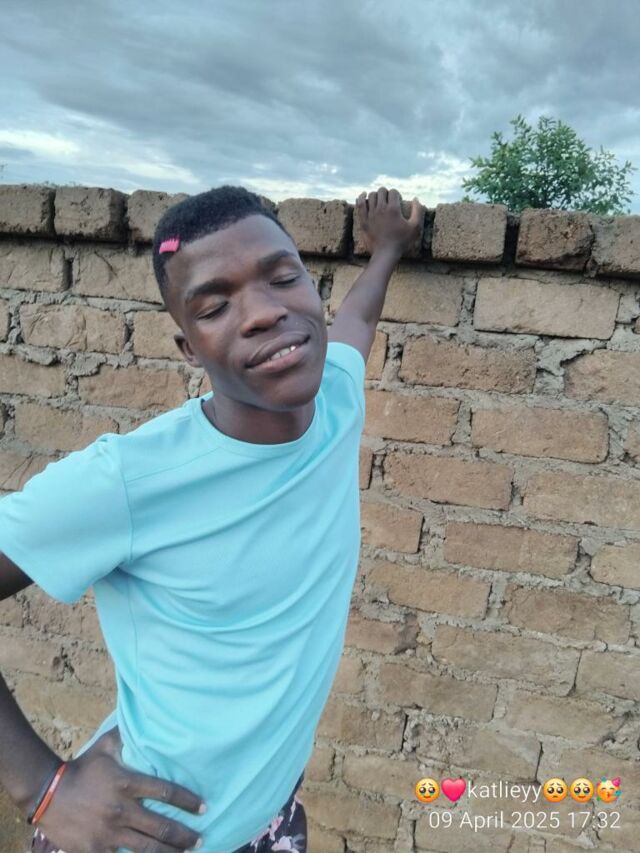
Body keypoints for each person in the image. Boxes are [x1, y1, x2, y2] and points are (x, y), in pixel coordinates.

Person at [0, 185, 424, 853]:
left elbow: (357, 323)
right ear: (188, 346)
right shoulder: (128, 481)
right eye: (215, 306)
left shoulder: (337, 400)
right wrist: (40, 788)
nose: (264, 313)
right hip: (144, 836)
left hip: (269, 821)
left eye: (282, 278)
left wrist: (387, 250)